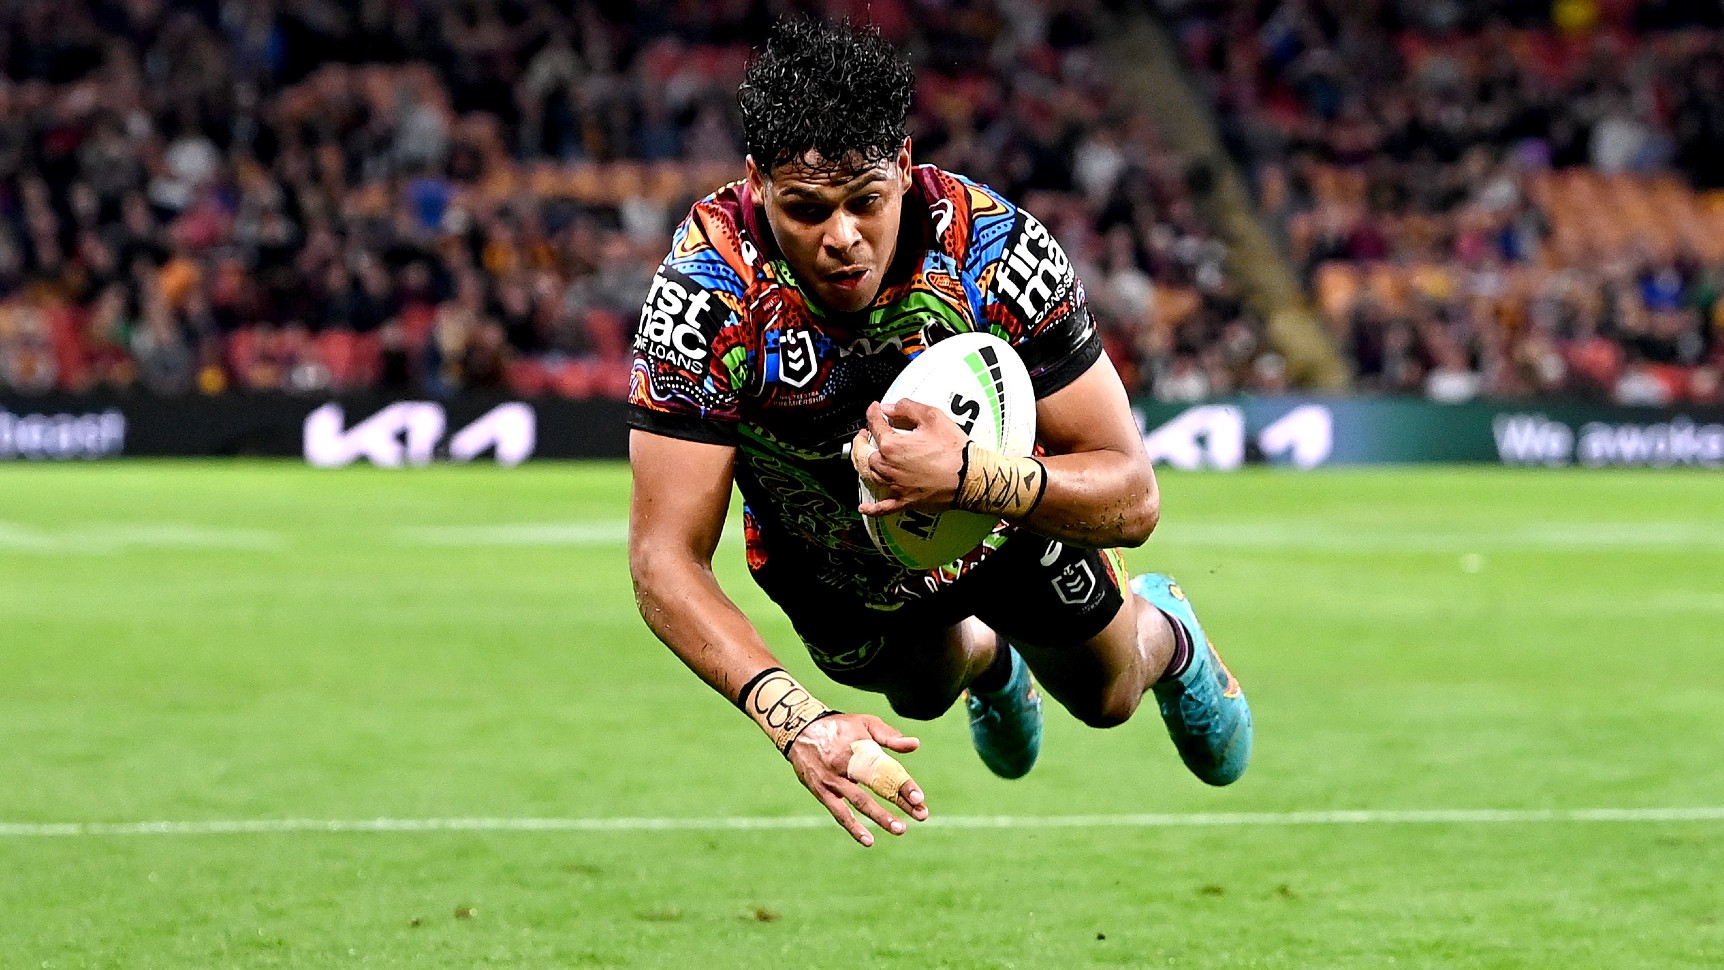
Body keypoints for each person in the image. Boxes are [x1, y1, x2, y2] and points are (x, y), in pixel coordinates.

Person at [627, 19, 1252, 847]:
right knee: (922, 695)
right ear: (756, 184)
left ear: (907, 165)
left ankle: (1167, 635)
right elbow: (663, 557)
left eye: (866, 202)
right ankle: (992, 660)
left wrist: (969, 480)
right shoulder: (704, 298)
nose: (841, 239)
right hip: (831, 557)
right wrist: (797, 722)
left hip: (1008, 524)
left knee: (1108, 700)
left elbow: (1133, 496)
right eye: (806, 210)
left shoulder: (995, 251)